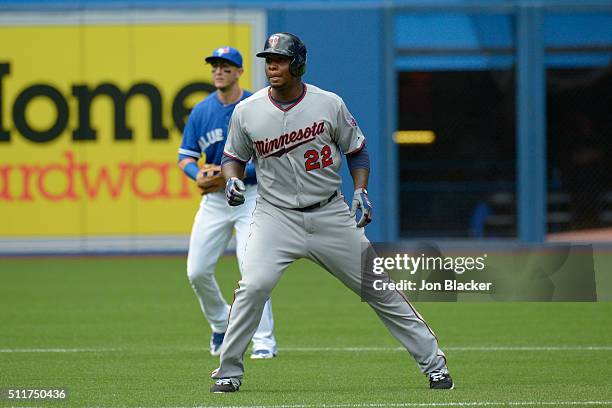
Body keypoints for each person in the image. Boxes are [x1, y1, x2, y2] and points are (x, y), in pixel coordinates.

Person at [210, 33, 453, 393]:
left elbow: (357, 151)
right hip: (275, 217)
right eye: (268, 59)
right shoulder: (248, 110)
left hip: (330, 214)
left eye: (280, 58)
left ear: (299, 64)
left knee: (379, 288)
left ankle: (434, 365)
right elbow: (233, 158)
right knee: (253, 287)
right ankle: (229, 372)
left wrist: (360, 190)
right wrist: (231, 180)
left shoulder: (329, 104)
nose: (272, 65)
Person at [177, 46, 277, 360]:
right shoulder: (202, 111)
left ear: (239, 71)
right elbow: (185, 157)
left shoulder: (256, 107)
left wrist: (231, 175)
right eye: (215, 66)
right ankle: (222, 323)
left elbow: (270, 160)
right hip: (215, 202)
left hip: (249, 198)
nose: (219, 71)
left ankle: (263, 341)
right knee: (197, 271)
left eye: (226, 66)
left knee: (253, 270)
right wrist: (197, 174)